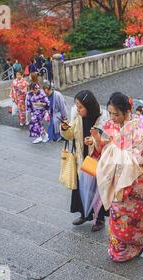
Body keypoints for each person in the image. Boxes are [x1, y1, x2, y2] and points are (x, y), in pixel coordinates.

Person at [95, 92, 143, 262]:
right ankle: (118, 247)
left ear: (127, 112)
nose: (112, 117)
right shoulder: (111, 124)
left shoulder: (138, 127)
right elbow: (104, 147)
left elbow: (139, 155)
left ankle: (137, 243)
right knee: (116, 212)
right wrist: (97, 140)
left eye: (116, 114)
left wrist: (114, 149)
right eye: (110, 113)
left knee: (133, 214)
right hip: (115, 176)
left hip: (133, 178)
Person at [60, 90, 109, 231]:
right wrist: (64, 128)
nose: (77, 109)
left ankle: (99, 219)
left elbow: (105, 139)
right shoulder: (77, 116)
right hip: (82, 158)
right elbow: (70, 135)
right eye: (76, 105)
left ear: (89, 106)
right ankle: (85, 214)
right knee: (83, 187)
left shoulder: (102, 117)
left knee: (97, 189)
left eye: (80, 106)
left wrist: (92, 141)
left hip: (97, 159)